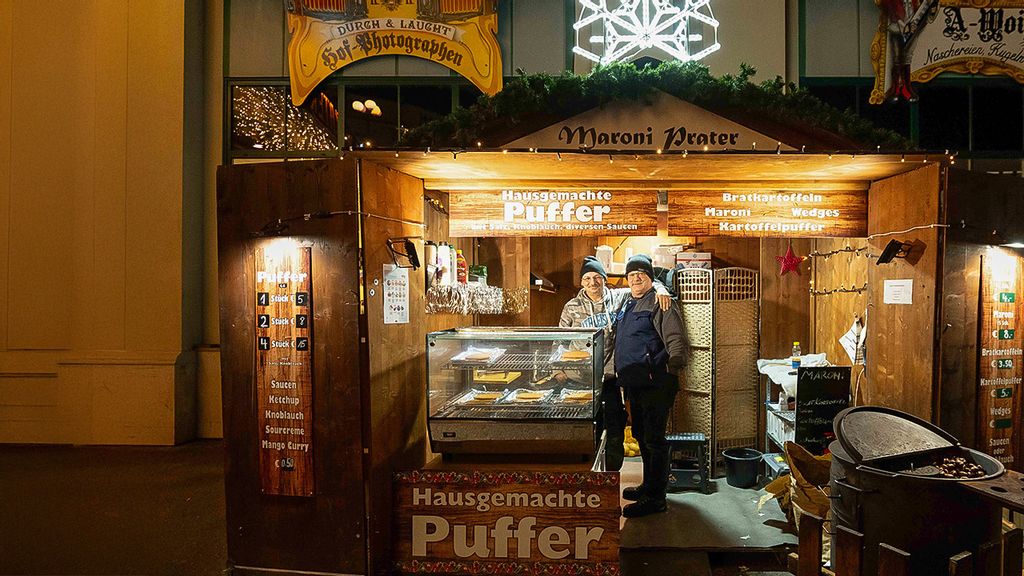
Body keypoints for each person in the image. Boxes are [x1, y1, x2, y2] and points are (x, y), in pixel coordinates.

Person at [558, 255, 670, 472]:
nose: (593, 283)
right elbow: (560, 342)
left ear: (604, 278)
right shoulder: (571, 307)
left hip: (609, 377)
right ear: (582, 282)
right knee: (581, 430)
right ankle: (583, 478)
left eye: (597, 277)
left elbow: (642, 282)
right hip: (577, 379)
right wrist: (559, 371)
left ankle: (610, 477)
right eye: (588, 278)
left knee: (614, 428)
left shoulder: (619, 297)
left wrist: (661, 288)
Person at [615, 254, 689, 518]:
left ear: (650, 277)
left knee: (655, 440)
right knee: (642, 436)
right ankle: (648, 485)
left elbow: (675, 337)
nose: (636, 278)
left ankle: (657, 498)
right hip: (635, 382)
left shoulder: (661, 301)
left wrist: (672, 370)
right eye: (631, 274)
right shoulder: (627, 302)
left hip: (656, 381)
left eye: (641, 274)